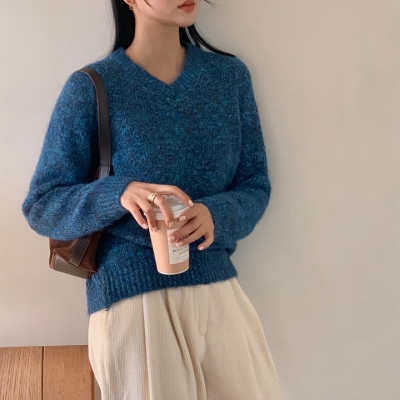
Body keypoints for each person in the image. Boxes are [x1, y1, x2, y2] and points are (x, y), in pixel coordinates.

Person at [22, 0, 283, 398]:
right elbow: (43, 205)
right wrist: (119, 192)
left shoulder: (228, 78)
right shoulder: (93, 86)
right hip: (132, 303)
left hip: (219, 293)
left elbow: (254, 184)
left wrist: (216, 214)